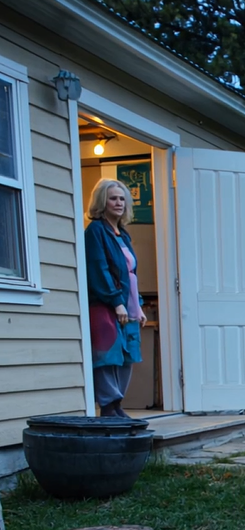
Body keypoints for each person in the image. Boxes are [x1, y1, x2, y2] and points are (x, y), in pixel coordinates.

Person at [84, 179, 146, 418]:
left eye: (122, 199)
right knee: (108, 354)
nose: (118, 203)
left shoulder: (123, 235)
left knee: (128, 354)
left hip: (127, 304)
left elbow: (130, 273)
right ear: (102, 202)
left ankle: (118, 404)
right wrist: (116, 302)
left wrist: (136, 305)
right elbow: (99, 269)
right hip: (105, 303)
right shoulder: (96, 231)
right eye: (113, 198)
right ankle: (109, 406)